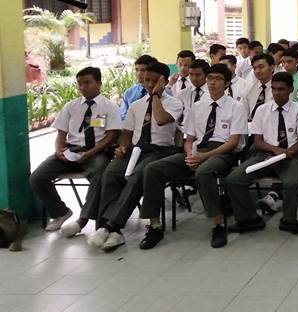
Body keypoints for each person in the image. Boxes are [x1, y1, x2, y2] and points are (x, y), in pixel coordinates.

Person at [138, 63, 248, 249]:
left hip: (222, 152)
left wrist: (203, 158)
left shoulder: (236, 107)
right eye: (210, 78)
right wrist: (190, 154)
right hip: (197, 150)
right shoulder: (197, 106)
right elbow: (189, 139)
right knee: (153, 169)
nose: (212, 83)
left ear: (227, 83)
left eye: (218, 79)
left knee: (204, 172)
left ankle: (217, 225)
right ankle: (155, 226)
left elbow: (233, 142)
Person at [87, 62, 184, 251]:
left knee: (138, 175)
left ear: (163, 82)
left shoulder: (174, 103)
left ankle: (112, 226)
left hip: (160, 150)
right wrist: (123, 147)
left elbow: (162, 119)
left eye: (154, 81)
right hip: (135, 150)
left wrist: (156, 95)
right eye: (146, 80)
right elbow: (127, 133)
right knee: (111, 173)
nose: (148, 84)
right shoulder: (136, 105)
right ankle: (109, 229)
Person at [32, 67, 121, 234]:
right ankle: (60, 212)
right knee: (37, 177)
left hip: (96, 152)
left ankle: (83, 219)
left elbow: (111, 136)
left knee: (99, 174)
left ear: (99, 83)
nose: (82, 87)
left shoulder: (109, 107)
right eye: (79, 84)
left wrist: (91, 152)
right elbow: (61, 133)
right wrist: (59, 150)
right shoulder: (70, 107)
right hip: (70, 150)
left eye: (87, 83)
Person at [225, 72, 298, 235]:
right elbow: (257, 141)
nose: (276, 93)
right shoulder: (262, 110)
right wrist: (275, 151)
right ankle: (250, 219)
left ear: (290, 90)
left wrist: (286, 154)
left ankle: (289, 220)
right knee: (233, 180)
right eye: (273, 89)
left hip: (290, 156)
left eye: (281, 89)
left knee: (293, 183)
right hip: (264, 155)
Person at [119, 54, 157, 120]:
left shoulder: (164, 93)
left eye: (143, 70)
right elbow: (123, 116)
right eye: (136, 70)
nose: (139, 74)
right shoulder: (129, 93)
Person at [244, 53, 275, 120]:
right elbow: (244, 112)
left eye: (261, 67)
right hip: (250, 125)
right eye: (254, 68)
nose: (257, 71)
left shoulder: (279, 88)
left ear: (272, 68)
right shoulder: (249, 88)